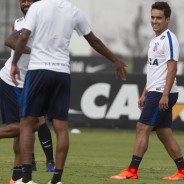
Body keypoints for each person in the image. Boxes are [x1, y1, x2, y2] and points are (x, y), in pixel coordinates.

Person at [10, 0, 127, 183]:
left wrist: (15, 63)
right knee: (61, 127)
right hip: (62, 72)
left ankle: (26, 179)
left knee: (26, 122)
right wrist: (114, 60)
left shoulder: (37, 8)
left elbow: (24, 36)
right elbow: (93, 40)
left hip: (39, 70)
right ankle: (57, 179)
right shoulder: (74, 11)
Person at [110, 1, 184, 181]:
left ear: (167, 20)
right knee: (164, 133)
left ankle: (132, 170)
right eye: (153, 17)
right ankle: (183, 172)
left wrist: (164, 95)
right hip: (155, 90)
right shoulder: (155, 40)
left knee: (142, 127)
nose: (154, 21)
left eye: (159, 18)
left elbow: (172, 69)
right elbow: (155, 70)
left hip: (163, 92)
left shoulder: (170, 39)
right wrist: (145, 92)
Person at [0, 0, 55, 183]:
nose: (25, 3)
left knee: (29, 128)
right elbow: (9, 41)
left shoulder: (44, 23)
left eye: (29, 0)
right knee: (27, 127)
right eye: (22, 0)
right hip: (13, 80)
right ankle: (21, 176)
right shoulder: (20, 23)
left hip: (31, 82)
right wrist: (34, 51)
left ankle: (17, 177)